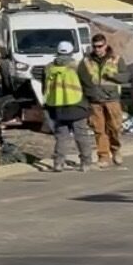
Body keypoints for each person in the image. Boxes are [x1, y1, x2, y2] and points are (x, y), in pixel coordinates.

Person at [40, 40, 95, 172]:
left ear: (57, 52)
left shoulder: (48, 68)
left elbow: (44, 88)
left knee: (61, 136)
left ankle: (58, 163)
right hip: (77, 105)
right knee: (81, 135)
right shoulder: (77, 66)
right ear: (71, 52)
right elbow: (88, 85)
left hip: (57, 107)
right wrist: (91, 101)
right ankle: (86, 162)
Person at [81, 35, 127, 168]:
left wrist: (113, 76)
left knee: (114, 128)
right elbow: (82, 80)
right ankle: (103, 157)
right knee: (99, 130)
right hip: (95, 101)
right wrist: (89, 95)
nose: (97, 49)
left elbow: (125, 77)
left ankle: (116, 149)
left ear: (106, 45)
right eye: (95, 46)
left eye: (100, 46)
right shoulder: (86, 61)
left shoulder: (116, 59)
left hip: (112, 99)